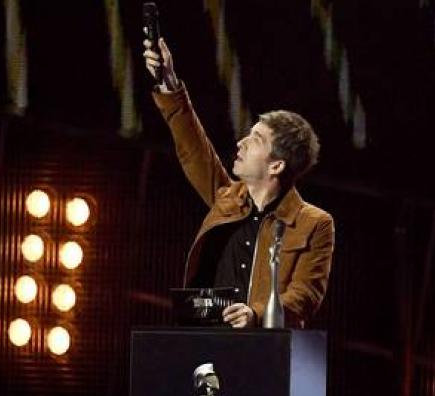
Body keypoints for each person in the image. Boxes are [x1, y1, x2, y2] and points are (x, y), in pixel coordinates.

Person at [143, 37, 335, 328]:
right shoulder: (228, 200)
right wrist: (169, 82)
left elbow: (305, 295)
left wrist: (255, 313)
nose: (241, 143)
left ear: (277, 165)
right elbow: (194, 149)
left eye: (255, 140)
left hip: (262, 354)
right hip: (206, 345)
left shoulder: (314, 223)